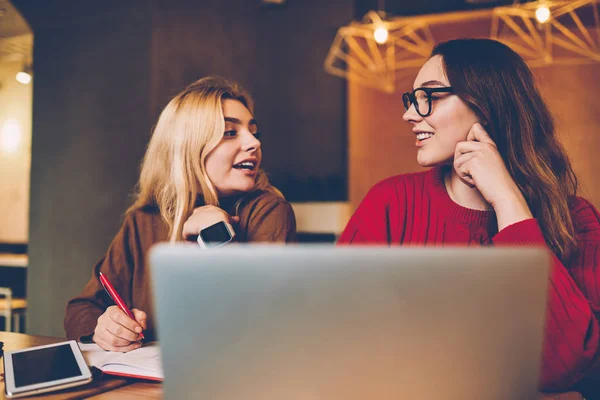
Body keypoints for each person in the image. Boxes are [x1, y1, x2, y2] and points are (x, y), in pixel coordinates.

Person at [338, 38, 600, 394]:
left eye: (429, 95)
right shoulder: (390, 202)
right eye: (412, 99)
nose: (410, 114)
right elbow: (336, 340)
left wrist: (508, 201)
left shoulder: (576, 218)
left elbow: (566, 364)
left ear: (488, 104)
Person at [64, 77, 296, 351]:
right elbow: (81, 308)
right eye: (230, 132)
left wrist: (215, 237)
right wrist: (104, 328)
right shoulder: (143, 222)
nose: (254, 143)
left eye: (253, 132)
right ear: (188, 146)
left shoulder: (268, 211)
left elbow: (255, 323)